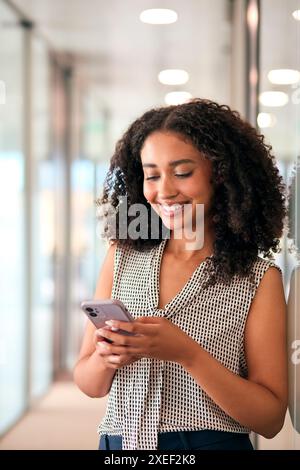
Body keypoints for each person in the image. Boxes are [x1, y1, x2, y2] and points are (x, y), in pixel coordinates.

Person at [73, 99, 288, 451]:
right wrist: (105, 357)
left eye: (183, 172)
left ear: (220, 174)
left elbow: (270, 419)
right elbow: (90, 384)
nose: (165, 191)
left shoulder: (258, 278)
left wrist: (189, 354)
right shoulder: (122, 257)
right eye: (152, 175)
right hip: (117, 444)